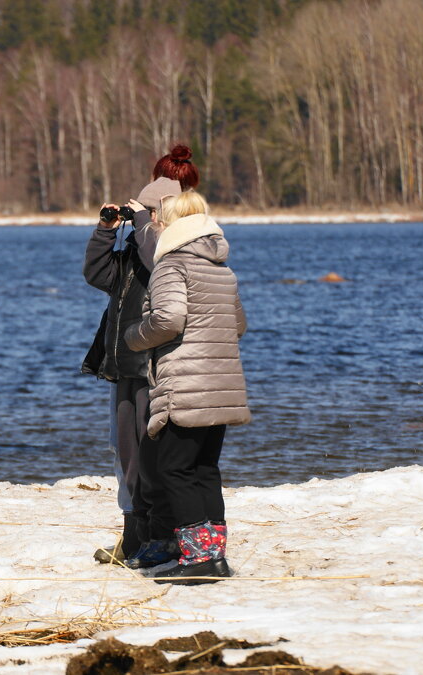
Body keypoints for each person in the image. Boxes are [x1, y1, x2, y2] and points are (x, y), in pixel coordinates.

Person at [122, 189, 250, 584]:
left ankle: (200, 558)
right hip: (223, 383)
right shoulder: (221, 267)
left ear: (169, 225)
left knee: (174, 468)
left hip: (185, 384)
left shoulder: (172, 265)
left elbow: (168, 320)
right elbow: (239, 325)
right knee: (204, 468)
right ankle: (213, 554)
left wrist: (132, 335)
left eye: (158, 221)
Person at [81, 145, 198, 567]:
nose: (142, 215)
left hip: (155, 366)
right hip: (125, 366)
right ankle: (134, 534)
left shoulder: (172, 247)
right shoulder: (136, 249)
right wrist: (106, 229)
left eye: (151, 208)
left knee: (151, 457)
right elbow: (97, 274)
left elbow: (159, 257)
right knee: (124, 453)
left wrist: (146, 221)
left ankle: (156, 535)